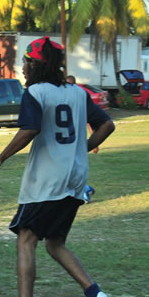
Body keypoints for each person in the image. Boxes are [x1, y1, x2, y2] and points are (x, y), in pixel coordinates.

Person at [0, 36, 116, 297]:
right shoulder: (77, 92)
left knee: (26, 240)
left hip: (47, 180)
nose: (23, 67)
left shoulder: (36, 92)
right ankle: (95, 296)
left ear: (36, 65)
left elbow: (30, 129)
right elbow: (107, 125)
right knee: (55, 243)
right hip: (75, 179)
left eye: (26, 62)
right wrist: (82, 148)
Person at [66, 75, 97, 203]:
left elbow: (89, 122)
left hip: (77, 141)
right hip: (66, 141)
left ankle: (84, 192)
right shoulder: (64, 100)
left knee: (73, 169)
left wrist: (94, 142)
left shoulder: (79, 99)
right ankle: (86, 188)